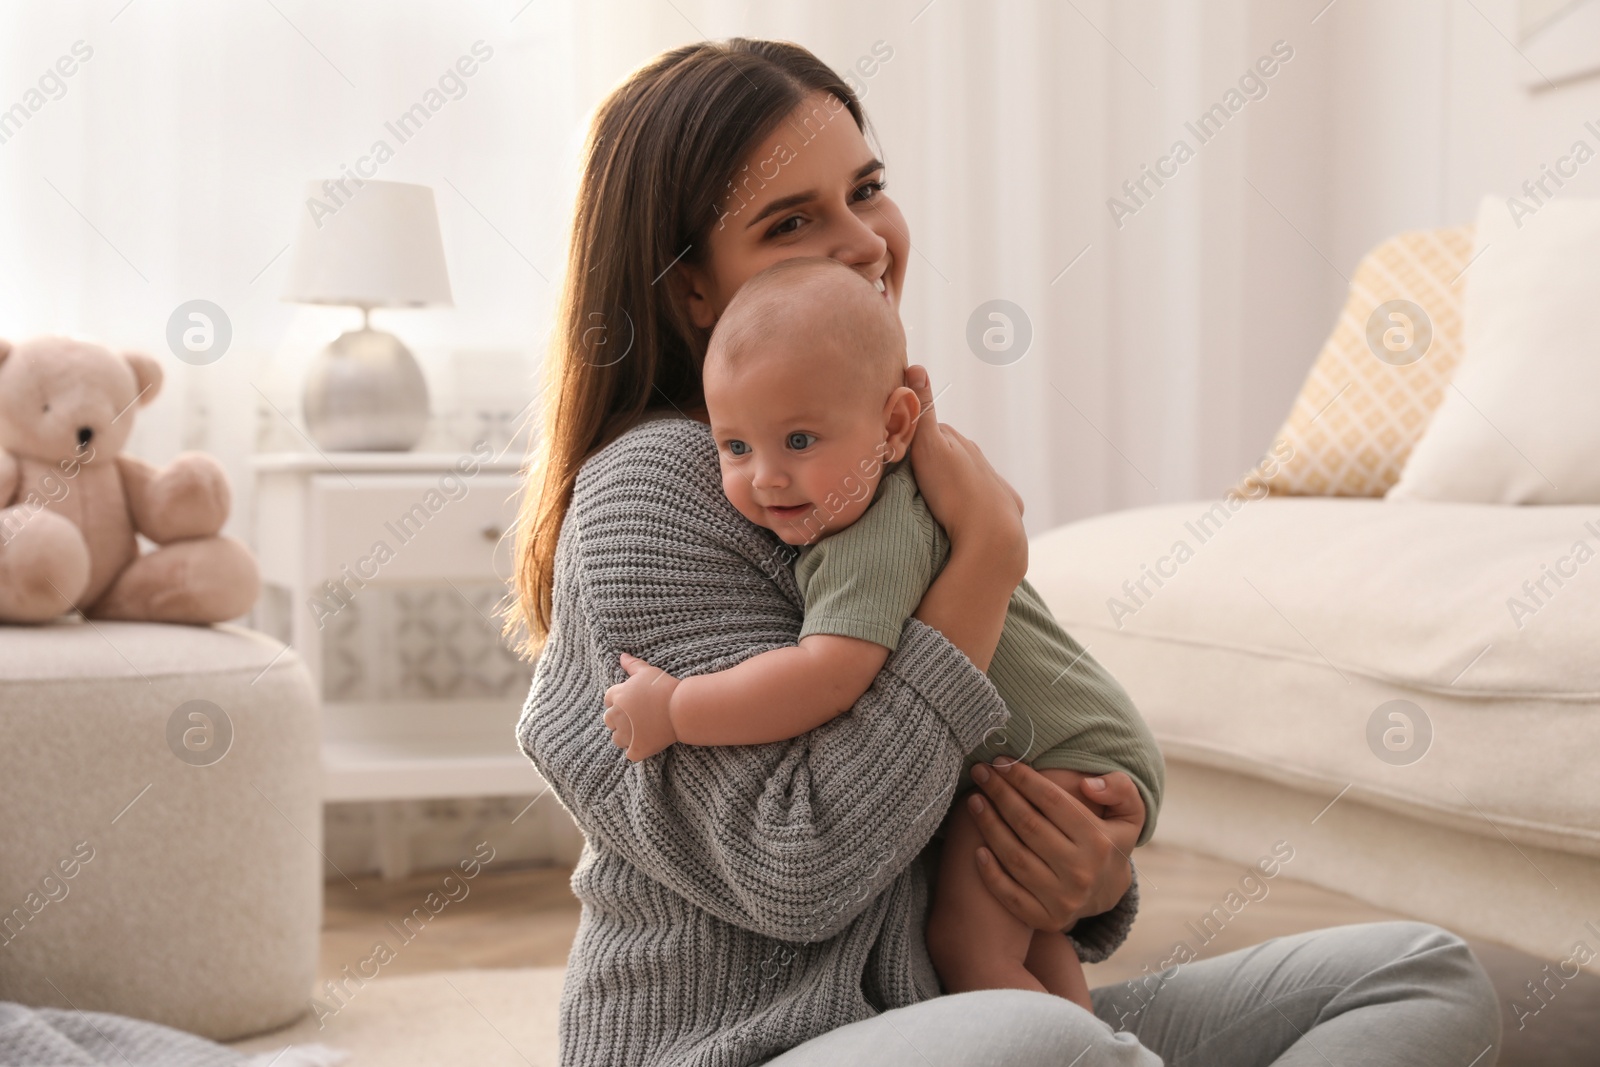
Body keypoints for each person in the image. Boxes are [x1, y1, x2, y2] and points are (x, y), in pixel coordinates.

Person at [510, 36, 1502, 1067]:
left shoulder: (867, 463)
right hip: (747, 1046)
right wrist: (983, 557)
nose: (866, 242)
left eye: (867, 189)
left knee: (1419, 971)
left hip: (934, 1013)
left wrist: (1087, 872)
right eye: (793, 220)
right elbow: (800, 867)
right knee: (1041, 1037)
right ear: (690, 293)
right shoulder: (652, 492)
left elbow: (980, 774)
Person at [598, 255, 1164, 1012]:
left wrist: (677, 710)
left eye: (799, 441)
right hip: (1071, 746)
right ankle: (1090, 1041)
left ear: (895, 426)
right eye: (736, 447)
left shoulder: (871, 531)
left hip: (1061, 757)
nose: (765, 477)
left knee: (967, 945)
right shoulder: (864, 496)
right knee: (1031, 941)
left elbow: (826, 675)